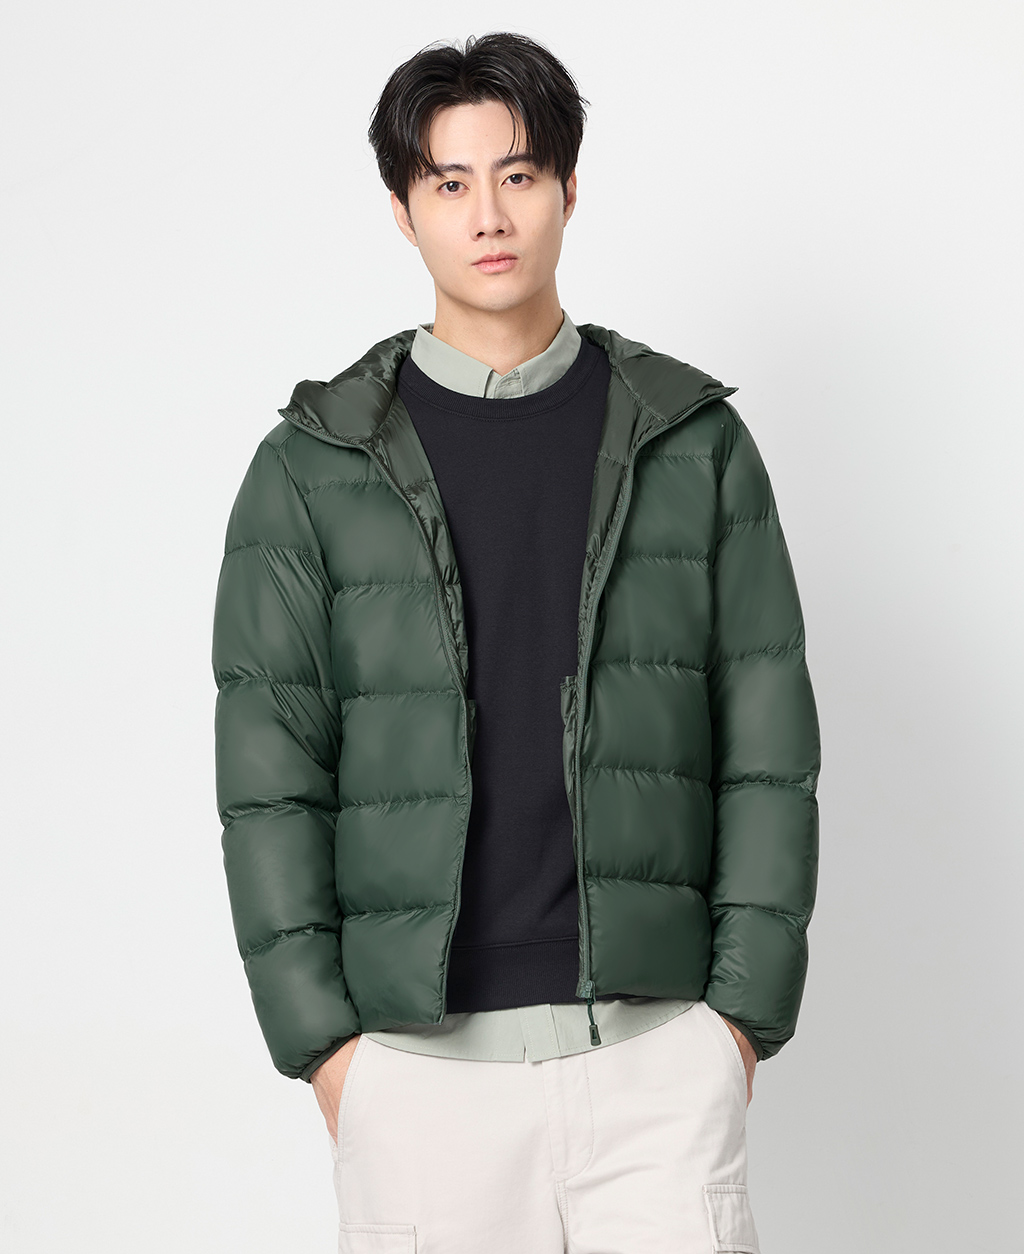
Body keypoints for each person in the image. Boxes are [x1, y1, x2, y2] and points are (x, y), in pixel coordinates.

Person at [211, 30, 820, 1254]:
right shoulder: (312, 468)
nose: (488, 214)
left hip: (656, 1063)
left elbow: (767, 742)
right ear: (403, 211)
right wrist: (329, 1055)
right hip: (415, 1081)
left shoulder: (690, 441)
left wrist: (735, 1028)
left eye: (519, 174)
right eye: (450, 182)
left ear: (568, 190)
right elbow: (269, 776)